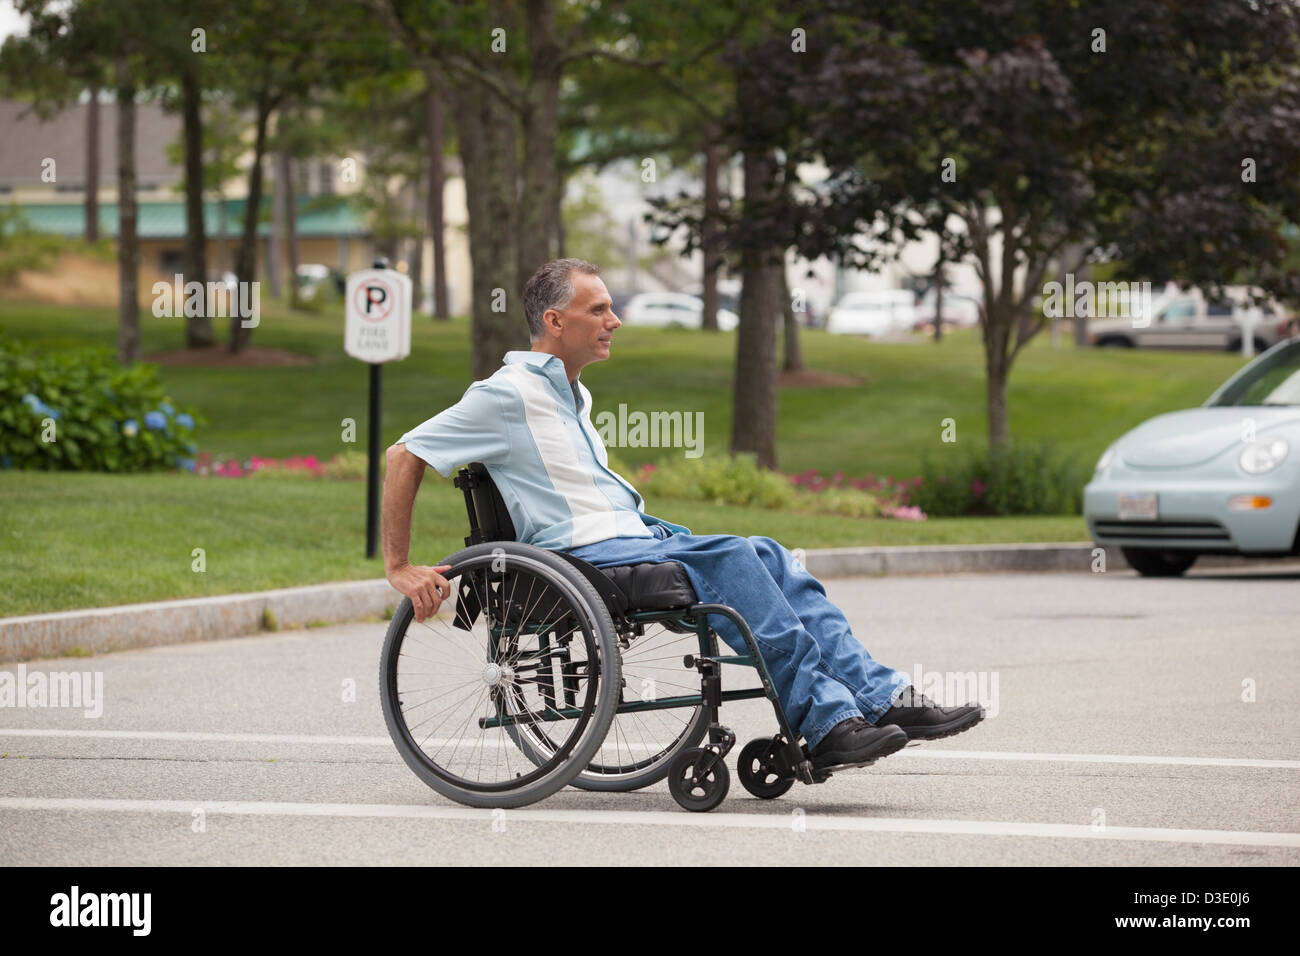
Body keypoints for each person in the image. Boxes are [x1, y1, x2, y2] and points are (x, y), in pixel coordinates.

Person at [382, 258, 984, 772]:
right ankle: (825, 723)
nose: (614, 321)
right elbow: (404, 453)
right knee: (728, 554)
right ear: (554, 321)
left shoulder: (572, 392)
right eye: (599, 310)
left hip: (631, 538)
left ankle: (878, 699)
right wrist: (399, 565)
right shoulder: (505, 393)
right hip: (582, 556)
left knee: (768, 551)